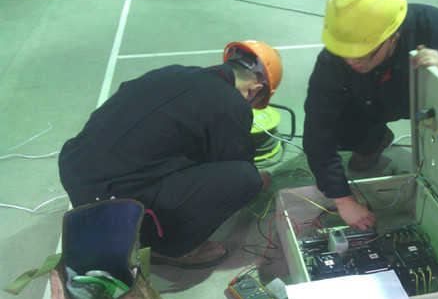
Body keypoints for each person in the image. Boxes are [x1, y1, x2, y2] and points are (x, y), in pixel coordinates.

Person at [59, 40, 283, 269]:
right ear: (255, 90)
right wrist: (258, 182)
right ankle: (169, 247)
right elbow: (234, 164)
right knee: (245, 178)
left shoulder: (172, 73)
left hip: (75, 171)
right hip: (113, 200)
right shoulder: (231, 104)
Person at [303, 0, 438, 231]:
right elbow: (318, 131)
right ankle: (374, 140)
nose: (352, 61)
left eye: (363, 53)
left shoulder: (434, 26)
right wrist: (342, 199)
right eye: (346, 52)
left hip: (418, 103)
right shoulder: (334, 58)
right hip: (366, 105)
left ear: (393, 35)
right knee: (338, 133)